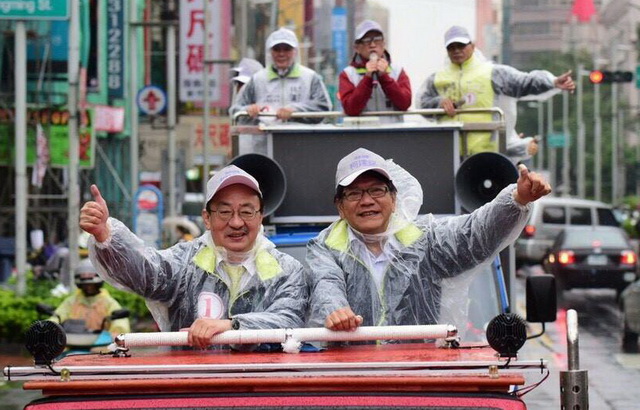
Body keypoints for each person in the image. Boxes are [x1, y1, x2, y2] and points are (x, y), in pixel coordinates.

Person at [305, 147, 551, 332]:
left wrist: (517, 198)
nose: (367, 200)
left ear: (394, 198)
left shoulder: (426, 238)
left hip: (423, 373)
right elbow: (325, 283)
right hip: (351, 378)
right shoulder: (323, 247)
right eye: (354, 193)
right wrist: (334, 310)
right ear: (340, 206)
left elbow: (475, 234)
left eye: (377, 190)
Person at [80, 165, 307, 349]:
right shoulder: (186, 261)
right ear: (207, 219)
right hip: (193, 386)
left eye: (247, 212)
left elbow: (289, 319)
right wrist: (105, 234)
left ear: (260, 218)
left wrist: (232, 326)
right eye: (225, 212)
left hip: (262, 391)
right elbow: (146, 273)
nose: (236, 222)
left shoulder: (287, 270)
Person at [418, 25, 575, 155]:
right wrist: (439, 103)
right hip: (449, 153)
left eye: (461, 45)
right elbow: (422, 103)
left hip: (487, 152)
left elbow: (523, 82)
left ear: (472, 46)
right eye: (451, 47)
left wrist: (552, 82)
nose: (456, 50)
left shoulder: (492, 72)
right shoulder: (437, 78)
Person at [230, 27, 332, 125]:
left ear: (295, 52)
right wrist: (248, 110)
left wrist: (294, 111)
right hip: (265, 140)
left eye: (287, 49)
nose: (281, 54)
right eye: (277, 49)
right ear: (270, 52)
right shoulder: (257, 79)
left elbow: (323, 107)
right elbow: (235, 110)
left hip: (301, 139)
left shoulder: (310, 78)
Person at [338, 20, 411, 122]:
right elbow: (351, 109)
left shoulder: (397, 71)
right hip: (362, 135)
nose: (373, 45)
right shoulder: (348, 74)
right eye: (367, 41)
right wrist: (367, 78)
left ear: (383, 44)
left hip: (393, 134)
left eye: (377, 39)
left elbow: (405, 103)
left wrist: (384, 77)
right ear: (357, 48)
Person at [50, 258, 131, 337]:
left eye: (92, 285)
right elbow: (58, 316)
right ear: (80, 285)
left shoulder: (108, 302)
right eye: (85, 285)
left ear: (98, 284)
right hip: (73, 342)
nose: (88, 288)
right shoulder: (71, 302)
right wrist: (50, 327)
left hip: (102, 345)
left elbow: (120, 323)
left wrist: (115, 334)